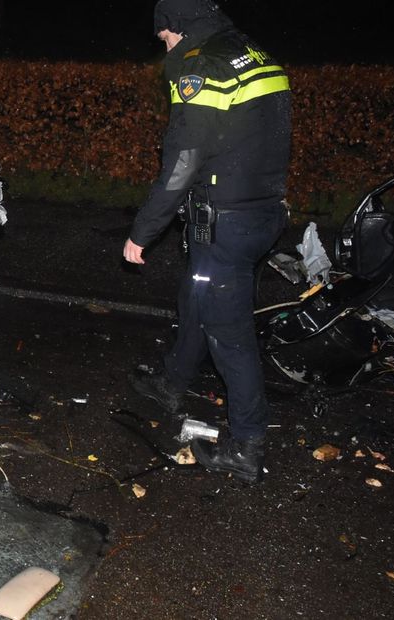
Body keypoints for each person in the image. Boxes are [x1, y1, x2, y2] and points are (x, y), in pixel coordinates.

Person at [124, 0, 291, 483]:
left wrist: (143, 231)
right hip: (262, 210)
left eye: (165, 38)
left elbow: (182, 162)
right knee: (197, 292)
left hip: (228, 220)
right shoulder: (255, 53)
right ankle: (171, 383)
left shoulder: (203, 68)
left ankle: (247, 445)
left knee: (228, 331)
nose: (165, 47)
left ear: (177, 27)